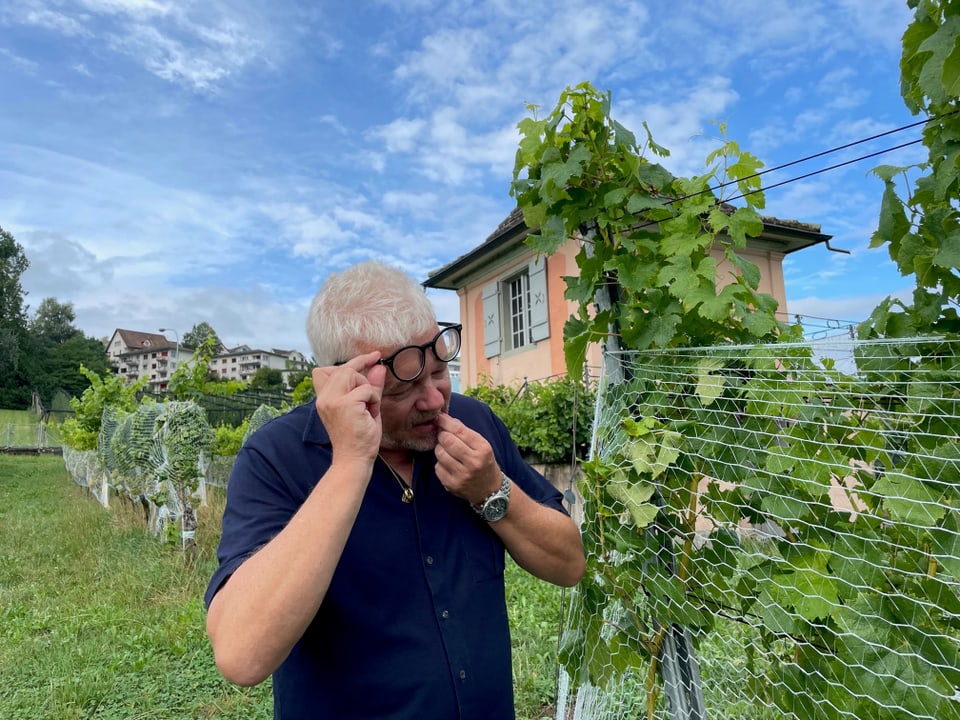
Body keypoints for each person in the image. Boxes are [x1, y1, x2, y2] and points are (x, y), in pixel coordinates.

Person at [204, 260, 586, 719]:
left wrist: (491, 490)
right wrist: (349, 465)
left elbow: (569, 564)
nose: (434, 399)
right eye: (404, 388)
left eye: (440, 371)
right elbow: (242, 655)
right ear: (341, 382)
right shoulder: (276, 458)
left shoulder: (476, 425)